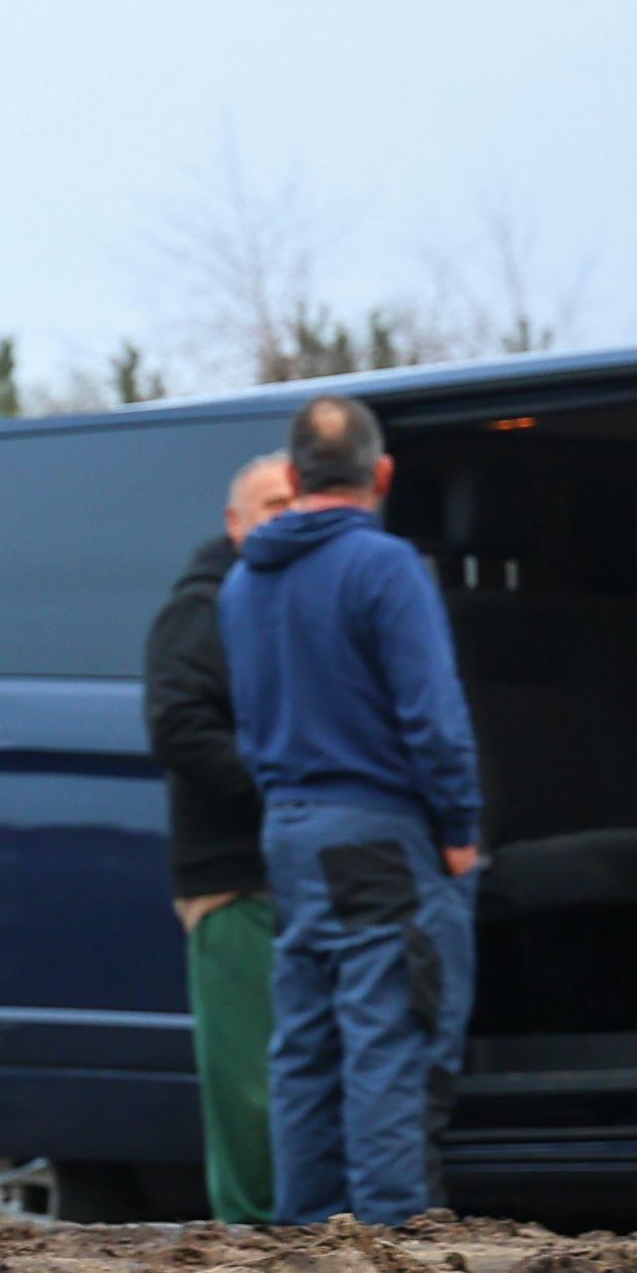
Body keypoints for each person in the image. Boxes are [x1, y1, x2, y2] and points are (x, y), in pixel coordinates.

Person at [219, 394, 484, 1225]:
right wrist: (460, 828)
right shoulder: (385, 567)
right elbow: (433, 719)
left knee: (305, 1043)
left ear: (293, 477)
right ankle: (391, 1240)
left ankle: (309, 1241)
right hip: (379, 831)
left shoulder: (242, 582)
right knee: (390, 1038)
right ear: (383, 474)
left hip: (290, 828)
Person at [145, 449, 301, 1223]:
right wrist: (283, 794)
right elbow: (176, 723)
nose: (288, 517)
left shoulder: (293, 598)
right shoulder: (202, 609)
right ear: (235, 524)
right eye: (271, 505)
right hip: (236, 878)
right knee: (251, 1088)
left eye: (297, 503)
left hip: (305, 873)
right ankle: (254, 1243)